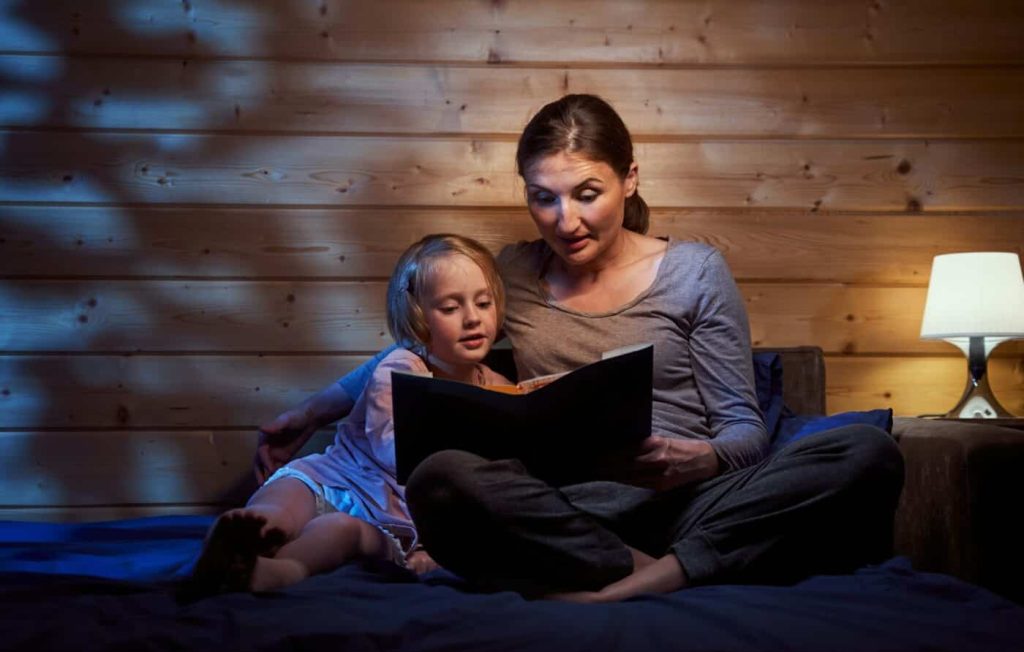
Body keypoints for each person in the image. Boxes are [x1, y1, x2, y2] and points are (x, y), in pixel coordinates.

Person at [255, 94, 904, 602]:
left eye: (586, 194)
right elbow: (417, 347)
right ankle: (658, 572)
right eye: (544, 199)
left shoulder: (694, 274)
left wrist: (695, 460)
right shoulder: (510, 273)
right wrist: (311, 413)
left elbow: (744, 431)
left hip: (685, 502)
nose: (565, 221)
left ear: (629, 178)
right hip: (558, 509)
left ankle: (652, 575)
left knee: (865, 451)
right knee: (441, 479)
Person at [192, 234, 512, 593]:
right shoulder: (401, 369)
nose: (472, 318)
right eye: (450, 308)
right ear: (417, 318)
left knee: (340, 531)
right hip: (338, 479)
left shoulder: (498, 386)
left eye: (483, 303)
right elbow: (395, 454)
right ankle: (235, 541)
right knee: (281, 504)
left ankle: (276, 571)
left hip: (391, 520)